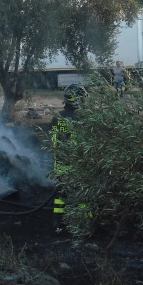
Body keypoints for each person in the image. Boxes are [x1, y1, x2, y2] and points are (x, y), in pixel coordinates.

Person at [50, 84, 88, 230]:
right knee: (83, 195)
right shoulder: (83, 118)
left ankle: (57, 223)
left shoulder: (57, 118)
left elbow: (53, 141)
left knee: (61, 194)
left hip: (59, 163)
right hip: (78, 164)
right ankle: (84, 224)